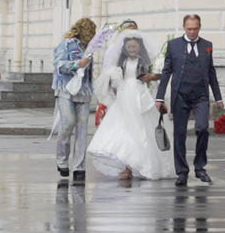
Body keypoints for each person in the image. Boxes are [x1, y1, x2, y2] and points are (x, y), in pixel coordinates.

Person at [88, 30, 169, 180]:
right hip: (124, 96)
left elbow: (155, 77)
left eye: (134, 47)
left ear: (139, 47)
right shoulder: (122, 63)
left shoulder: (144, 62)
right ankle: (126, 166)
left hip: (140, 95)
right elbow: (117, 80)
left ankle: (143, 164)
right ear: (125, 49)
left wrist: (150, 80)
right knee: (124, 130)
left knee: (141, 130)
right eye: (129, 47)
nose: (132, 50)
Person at [155, 14, 225, 187]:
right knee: (179, 133)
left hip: (200, 95)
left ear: (199, 28)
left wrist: (218, 97)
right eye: (189, 29)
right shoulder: (174, 45)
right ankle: (182, 172)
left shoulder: (207, 46)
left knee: (202, 128)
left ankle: (200, 168)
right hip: (180, 94)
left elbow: (211, 72)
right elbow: (166, 72)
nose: (192, 32)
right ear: (184, 28)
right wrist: (159, 96)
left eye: (195, 28)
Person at [52, 18, 96, 183]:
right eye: (89, 33)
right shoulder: (67, 44)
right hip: (66, 90)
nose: (91, 37)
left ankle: (79, 167)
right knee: (68, 123)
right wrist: (78, 64)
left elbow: (89, 73)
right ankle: (62, 160)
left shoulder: (90, 48)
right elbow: (59, 65)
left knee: (82, 130)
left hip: (83, 92)